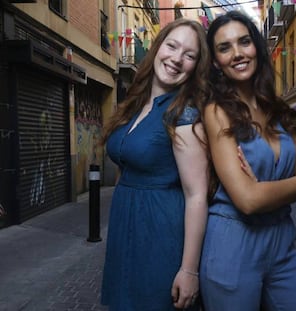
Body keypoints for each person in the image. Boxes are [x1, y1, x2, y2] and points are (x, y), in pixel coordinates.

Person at [199, 11, 296, 311]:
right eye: (225, 47)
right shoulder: (217, 112)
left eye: (244, 42)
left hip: (283, 242)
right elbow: (248, 200)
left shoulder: (276, 109)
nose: (238, 54)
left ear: (257, 47)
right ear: (215, 61)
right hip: (233, 246)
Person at [100, 18, 210, 310]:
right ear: (157, 47)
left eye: (189, 55)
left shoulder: (185, 114)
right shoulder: (134, 105)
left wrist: (189, 270)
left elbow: (197, 194)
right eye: (172, 46)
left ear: (196, 67)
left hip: (161, 233)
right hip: (126, 229)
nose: (176, 59)